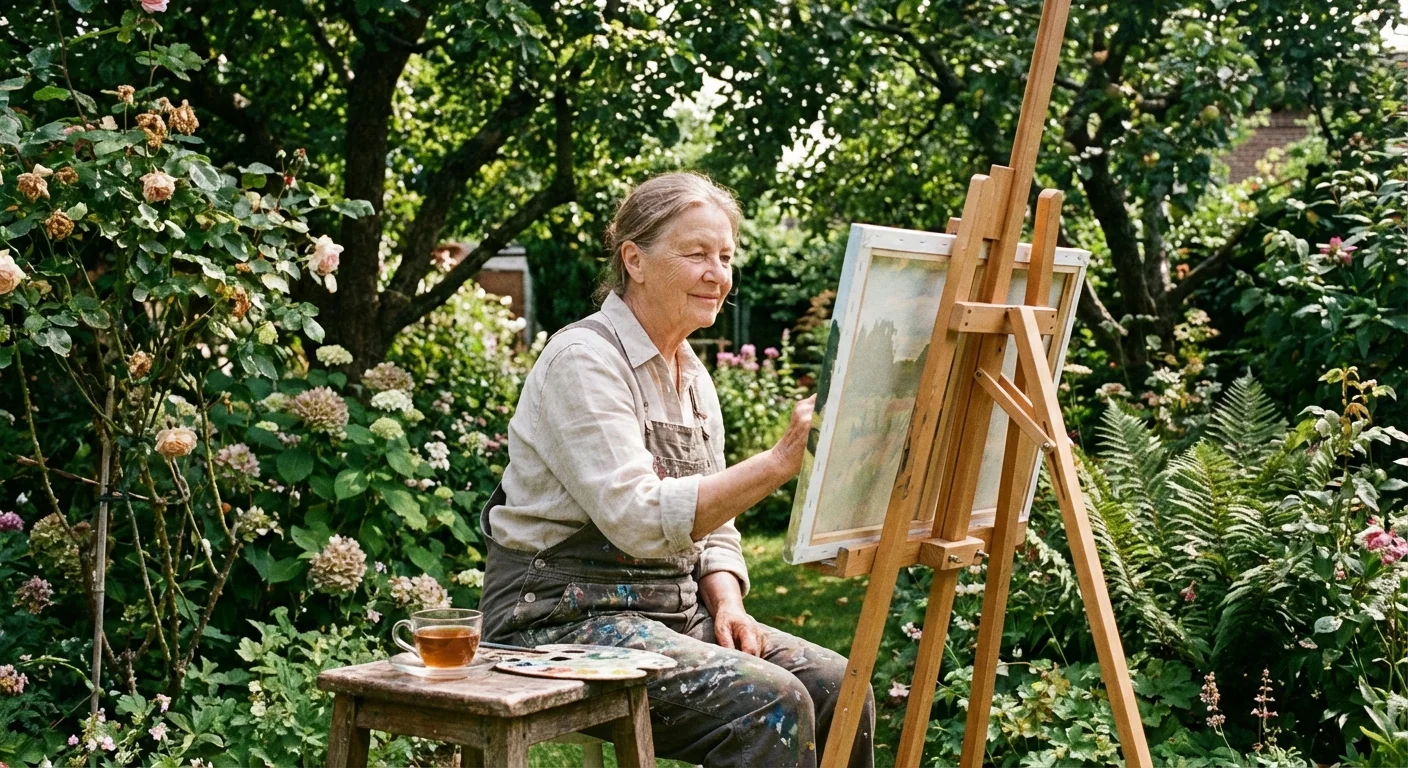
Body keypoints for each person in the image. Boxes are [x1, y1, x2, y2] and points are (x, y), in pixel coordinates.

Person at [479, 171, 875, 767]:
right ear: (633, 260)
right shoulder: (583, 360)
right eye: (696, 255)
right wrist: (779, 462)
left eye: (725, 256)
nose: (717, 274)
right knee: (770, 702)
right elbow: (638, 520)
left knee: (843, 689)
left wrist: (727, 604)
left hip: (668, 613)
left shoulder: (693, 375)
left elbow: (715, 530)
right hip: (556, 619)